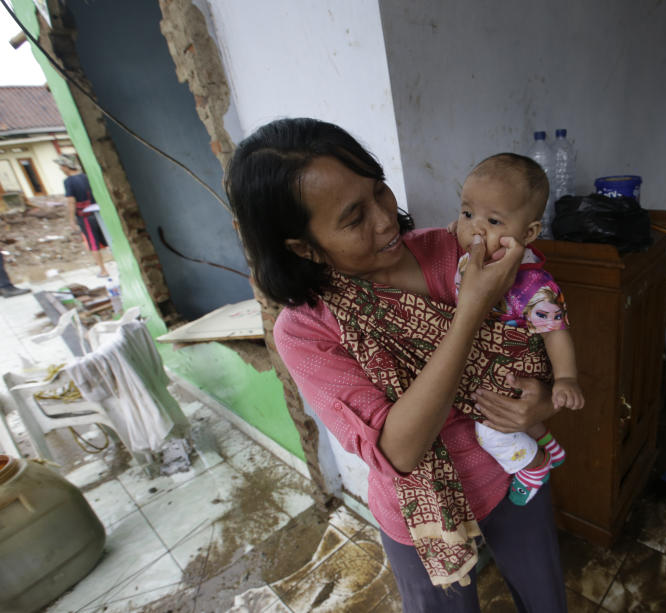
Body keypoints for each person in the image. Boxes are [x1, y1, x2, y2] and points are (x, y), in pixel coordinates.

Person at [226, 118, 568, 612]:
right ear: (303, 246)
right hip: (421, 516)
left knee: (545, 601)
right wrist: (470, 311)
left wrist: (543, 394)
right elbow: (399, 451)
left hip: (513, 470)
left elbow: (538, 327)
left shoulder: (456, 250)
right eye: (353, 218)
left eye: (380, 192)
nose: (386, 220)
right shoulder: (306, 331)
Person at [452, 154, 584, 507]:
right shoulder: (469, 262)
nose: (476, 229)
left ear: (528, 233)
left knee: (490, 430)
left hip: (517, 371)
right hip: (489, 361)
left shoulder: (532, 288)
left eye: (493, 220)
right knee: (508, 413)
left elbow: (556, 332)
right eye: (467, 214)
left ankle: (534, 465)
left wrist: (566, 378)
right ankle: (548, 446)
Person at [55, 155, 109, 277]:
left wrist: (71, 220)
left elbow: (71, 201)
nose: (60, 168)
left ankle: (103, 270)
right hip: (98, 213)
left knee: (93, 242)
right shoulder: (86, 176)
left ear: (65, 167)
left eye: (61, 166)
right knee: (108, 238)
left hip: (85, 216)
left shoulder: (69, 181)